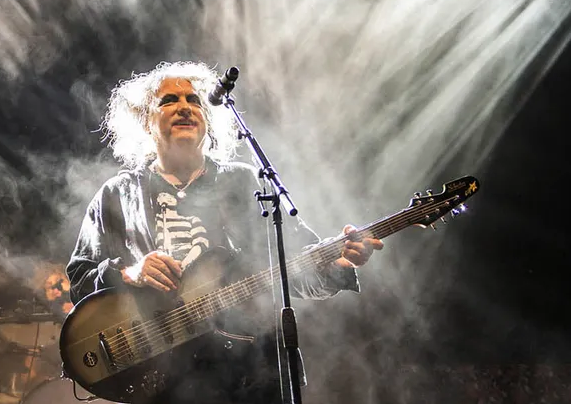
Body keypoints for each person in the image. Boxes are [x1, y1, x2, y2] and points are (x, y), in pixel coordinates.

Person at [66, 61, 383, 404]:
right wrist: (128, 273)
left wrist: (337, 264)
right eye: (169, 100)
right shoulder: (117, 193)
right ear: (145, 119)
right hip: (161, 375)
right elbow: (80, 280)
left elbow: (293, 272)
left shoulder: (248, 182)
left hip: (249, 374)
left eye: (195, 100)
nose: (186, 107)